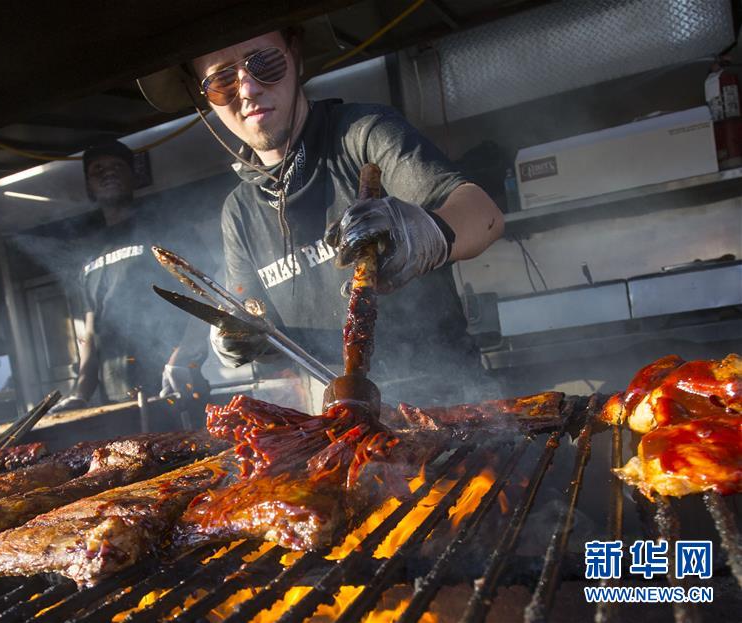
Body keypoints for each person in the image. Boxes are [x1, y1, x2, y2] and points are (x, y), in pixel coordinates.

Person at [138, 26, 504, 406]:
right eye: (222, 80)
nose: (247, 90)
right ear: (205, 98)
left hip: (449, 406)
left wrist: (424, 233)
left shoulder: (364, 135)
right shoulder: (239, 211)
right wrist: (241, 338)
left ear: (295, 56)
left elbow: (485, 216)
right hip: (337, 421)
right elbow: (266, 329)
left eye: (263, 62)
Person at [50, 140, 209, 416]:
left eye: (116, 166)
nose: (107, 173)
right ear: (88, 186)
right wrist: (81, 392)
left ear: (133, 177)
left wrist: (182, 357)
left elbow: (205, 295)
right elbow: (89, 331)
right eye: (98, 169)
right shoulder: (88, 252)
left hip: (174, 387)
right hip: (116, 402)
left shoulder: (164, 227)